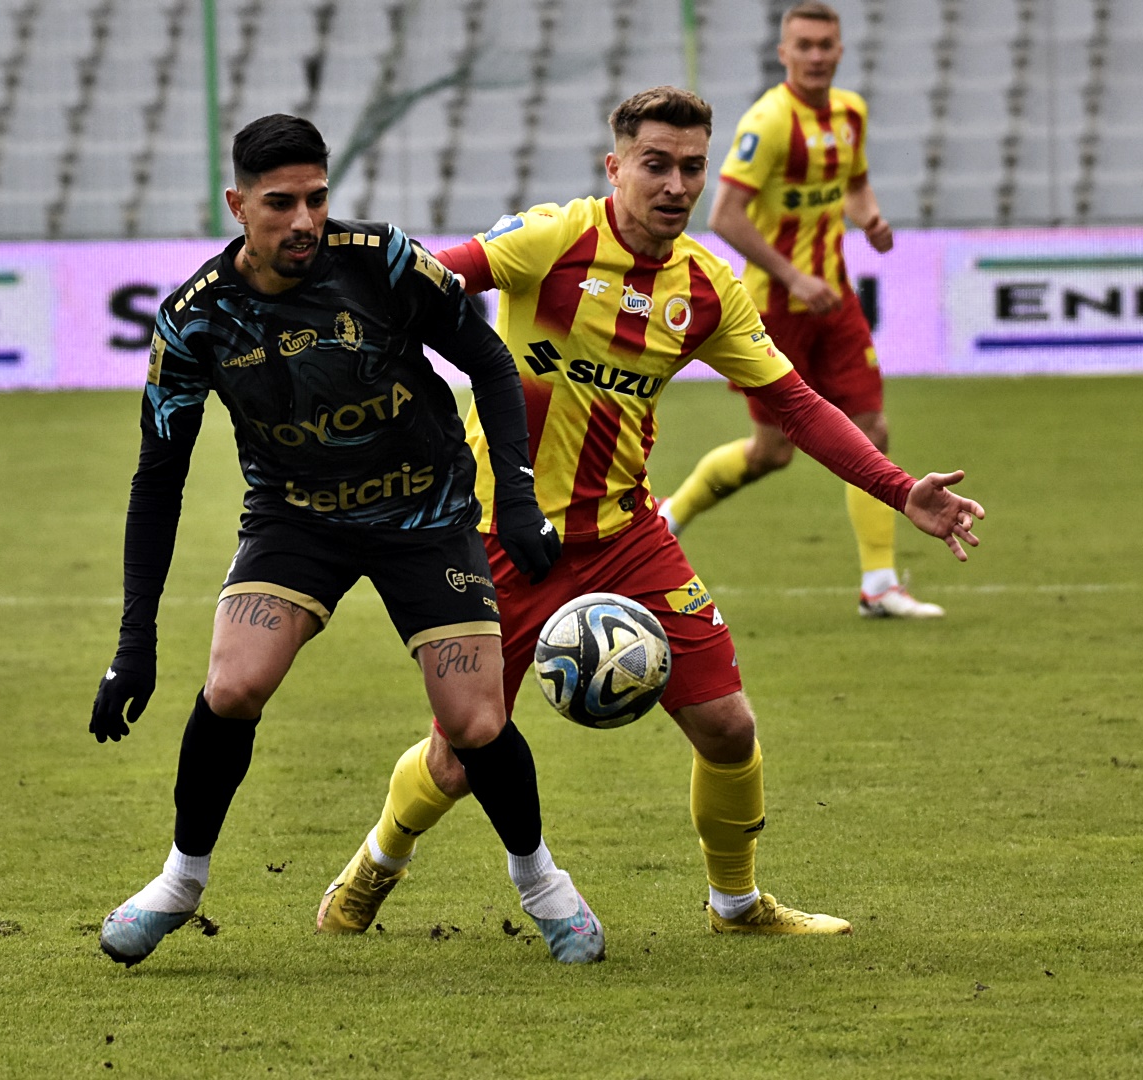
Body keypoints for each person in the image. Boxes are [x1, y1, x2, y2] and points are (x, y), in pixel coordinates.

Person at [317, 86, 983, 938]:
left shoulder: (705, 287)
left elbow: (796, 404)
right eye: (656, 164)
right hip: (499, 538)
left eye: (692, 167)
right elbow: (426, 279)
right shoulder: (551, 239)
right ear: (616, 167)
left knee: (729, 726)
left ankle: (736, 905)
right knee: (455, 761)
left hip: (627, 537)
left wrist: (897, 487)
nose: (676, 185)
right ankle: (374, 867)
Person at [86, 113, 605, 967]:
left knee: (474, 721)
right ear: (238, 206)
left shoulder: (382, 260)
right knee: (232, 686)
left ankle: (543, 885)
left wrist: (515, 498)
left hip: (425, 512)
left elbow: (489, 361)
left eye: (317, 199)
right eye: (280, 203)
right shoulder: (195, 319)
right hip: (296, 518)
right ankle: (180, 882)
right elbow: (158, 480)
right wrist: (133, 641)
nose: (304, 221)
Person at [656, 1, 940, 619]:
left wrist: (869, 217)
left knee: (872, 428)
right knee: (772, 452)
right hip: (776, 306)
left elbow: (854, 183)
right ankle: (670, 516)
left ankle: (879, 585)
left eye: (825, 45)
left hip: (834, 299)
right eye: (804, 45)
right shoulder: (770, 122)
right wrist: (793, 276)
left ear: (840, 50)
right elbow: (725, 215)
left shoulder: (850, 112)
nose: (815, 56)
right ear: (783, 53)